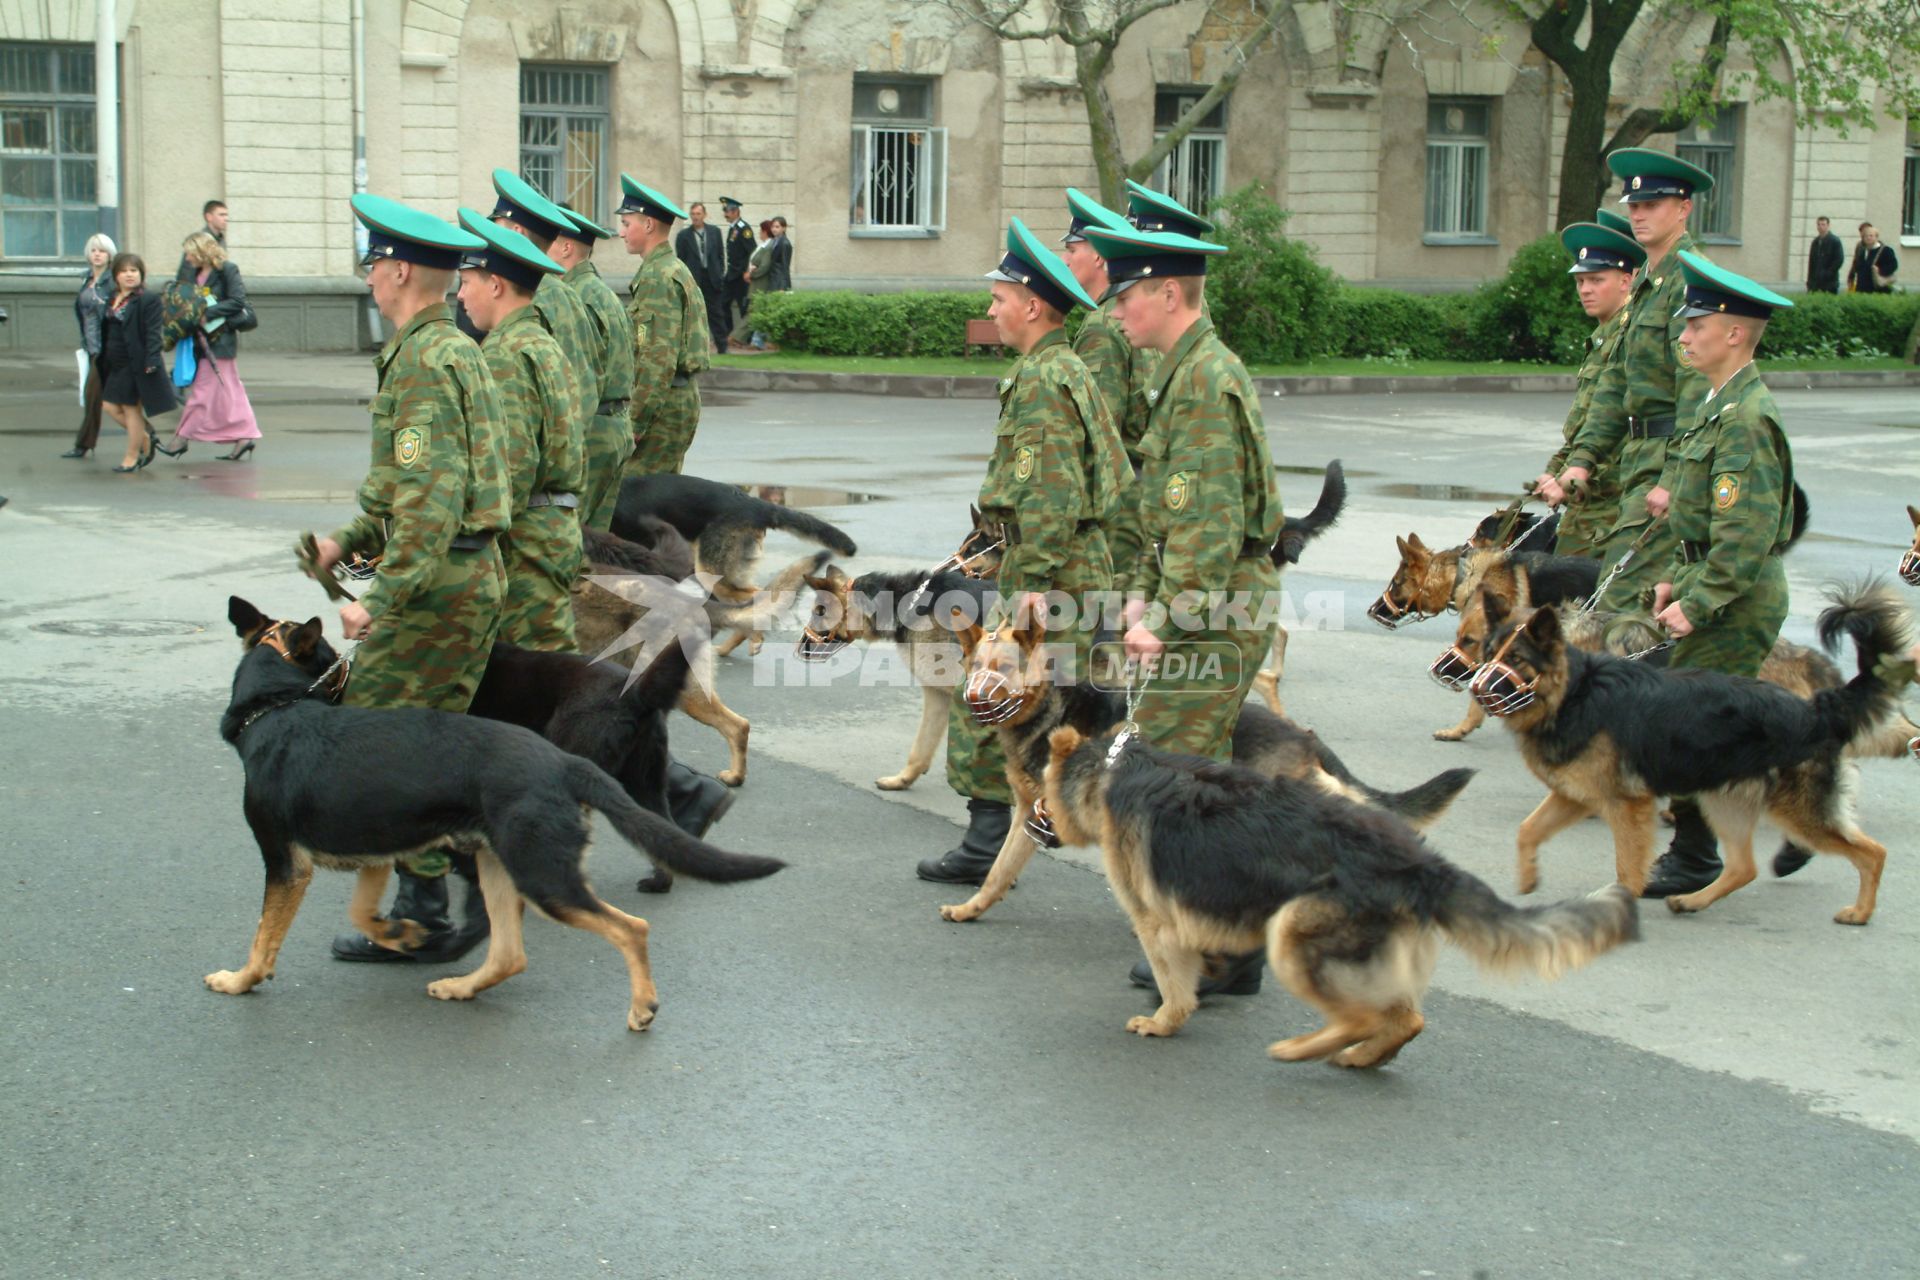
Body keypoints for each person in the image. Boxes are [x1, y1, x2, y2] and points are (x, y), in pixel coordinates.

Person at [1083, 216, 1284, 997]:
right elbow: (1158, 509)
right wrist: (1140, 590)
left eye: (1127, 295)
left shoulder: (1202, 380)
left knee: (1173, 775)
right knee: (1206, 777)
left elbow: (1208, 525)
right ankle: (1233, 947)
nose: (1116, 310)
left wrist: (1160, 621)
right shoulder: (1185, 370)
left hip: (1217, 607)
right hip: (1206, 598)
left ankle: (1217, 948)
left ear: (1169, 292)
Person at [315, 193, 511, 964]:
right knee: (419, 741)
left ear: (398, 270)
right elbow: (414, 486)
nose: (368, 279)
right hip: (460, 573)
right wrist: (351, 539)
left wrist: (380, 599)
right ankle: (450, 893)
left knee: (383, 747)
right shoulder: (445, 349)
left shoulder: (428, 362)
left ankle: (429, 914)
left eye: (373, 265)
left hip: (438, 586)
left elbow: (429, 501)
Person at [918, 218, 1132, 885]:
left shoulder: (1044, 379)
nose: (991, 310)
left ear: (1033, 305)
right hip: (1076, 568)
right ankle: (1101, 838)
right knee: (1084, 712)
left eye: (1000, 298)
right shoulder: (1061, 367)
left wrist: (1028, 586)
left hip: (1051, 574)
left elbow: (1048, 494)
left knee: (993, 700)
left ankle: (989, 839)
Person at [1645, 254, 1799, 896]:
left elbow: (1747, 535)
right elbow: (1703, 517)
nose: (1684, 336)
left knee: (1688, 725)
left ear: (1734, 333)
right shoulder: (1716, 406)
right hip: (1715, 585)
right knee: (1704, 721)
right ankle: (1793, 807)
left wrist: (1698, 600)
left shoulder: (1744, 419)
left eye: (1697, 325)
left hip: (1737, 600)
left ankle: (1695, 853)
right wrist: (1676, 579)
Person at [1554, 148, 1714, 625]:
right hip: (1638, 459)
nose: (1639, 214)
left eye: (1652, 206)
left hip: (1670, 460)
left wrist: (1674, 479)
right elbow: (1615, 384)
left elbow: (1696, 387)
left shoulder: (1690, 279)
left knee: (1624, 605)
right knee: (1621, 600)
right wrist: (1581, 460)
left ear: (1683, 209)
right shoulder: (1649, 280)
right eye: (1634, 206)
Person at [455, 209, 587, 653]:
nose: (459, 296)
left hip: (527, 536)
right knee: (548, 664)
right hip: (552, 525)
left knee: (541, 674)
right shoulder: (540, 342)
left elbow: (510, 465)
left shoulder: (506, 353)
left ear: (495, 284)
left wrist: (467, 535)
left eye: (466, 281)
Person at [1532, 218, 1646, 557]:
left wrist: (1575, 477)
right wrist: (1554, 472)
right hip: (1587, 495)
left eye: (1597, 280)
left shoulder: (1630, 339)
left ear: (1627, 281)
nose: (1585, 289)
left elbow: (1622, 426)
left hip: (1610, 500)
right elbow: (1585, 426)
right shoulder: (1602, 339)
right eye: (1581, 280)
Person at [549, 204, 638, 532]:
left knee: (569, 537)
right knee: (594, 543)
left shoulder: (574, 298)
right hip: (614, 425)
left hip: (593, 431)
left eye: (548, 240)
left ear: (566, 247)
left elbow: (577, 376)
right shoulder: (601, 292)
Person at [617, 174, 710, 476]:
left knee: (636, 502)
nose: (622, 233)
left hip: (663, 405)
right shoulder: (673, 268)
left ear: (648, 225)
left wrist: (634, 423)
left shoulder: (657, 277)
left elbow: (657, 359)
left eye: (626, 223)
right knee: (663, 503)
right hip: (676, 399)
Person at [160, 230, 261, 461]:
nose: (187, 259)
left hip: (220, 340)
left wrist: (206, 313)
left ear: (201, 251)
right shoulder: (191, 272)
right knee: (230, 390)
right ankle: (244, 438)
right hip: (198, 340)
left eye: (190, 253)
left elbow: (237, 301)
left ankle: (181, 438)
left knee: (202, 393)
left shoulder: (227, 270)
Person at [96, 252, 175, 472]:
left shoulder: (148, 299)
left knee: (131, 409)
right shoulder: (112, 297)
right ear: (116, 275)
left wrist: (151, 360)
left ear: (141, 274)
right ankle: (146, 438)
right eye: (124, 271)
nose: (129, 275)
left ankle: (131, 457)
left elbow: (152, 333)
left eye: (134, 270)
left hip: (136, 363)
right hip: (115, 363)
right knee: (110, 406)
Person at [62, 233, 116, 461]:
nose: (97, 254)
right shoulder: (87, 279)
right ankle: (84, 444)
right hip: (91, 348)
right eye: (93, 250)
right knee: (97, 398)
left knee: (109, 399)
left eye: (102, 250)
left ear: (110, 254)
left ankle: (147, 436)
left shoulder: (112, 281)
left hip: (108, 348)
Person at [674, 201, 730, 354]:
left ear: (704, 215)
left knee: (716, 313)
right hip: (694, 280)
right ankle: (693, 349)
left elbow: (720, 255)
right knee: (693, 314)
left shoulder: (714, 232)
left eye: (698, 214)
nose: (695, 217)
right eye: (693, 214)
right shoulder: (683, 236)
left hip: (712, 278)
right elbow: (681, 260)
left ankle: (723, 347)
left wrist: (719, 274)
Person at [728, 220, 775, 352]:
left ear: (765, 232)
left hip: (761, 284)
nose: (759, 233)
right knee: (758, 312)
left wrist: (751, 274)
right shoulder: (763, 246)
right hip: (755, 284)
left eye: (761, 231)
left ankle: (737, 337)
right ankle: (761, 341)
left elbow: (765, 266)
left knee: (753, 312)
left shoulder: (768, 247)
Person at [719, 196, 754, 338]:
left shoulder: (744, 229)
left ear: (735, 211)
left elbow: (752, 251)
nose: (725, 214)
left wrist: (748, 271)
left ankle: (747, 338)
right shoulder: (733, 228)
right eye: (725, 210)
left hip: (741, 276)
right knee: (722, 303)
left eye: (727, 211)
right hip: (731, 274)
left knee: (744, 308)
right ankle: (730, 334)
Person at [177, 199, 228, 282]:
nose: (226, 218)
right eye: (221, 215)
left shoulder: (221, 240)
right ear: (209, 217)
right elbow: (186, 272)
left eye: (226, 215)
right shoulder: (198, 242)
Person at [1848, 222, 1899, 293]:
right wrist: (1851, 278)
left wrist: (1880, 271)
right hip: (1862, 290)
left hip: (1879, 290)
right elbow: (1856, 267)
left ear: (1876, 237)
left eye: (1871, 236)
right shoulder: (1862, 251)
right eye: (1866, 236)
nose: (1868, 238)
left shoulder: (1886, 250)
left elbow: (1893, 265)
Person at [1806, 216, 1844, 294]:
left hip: (1830, 283)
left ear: (1828, 226)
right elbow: (1811, 262)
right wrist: (1810, 281)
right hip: (1815, 283)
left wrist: (1828, 273)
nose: (1820, 227)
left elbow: (1839, 260)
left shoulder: (1835, 241)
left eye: (1823, 224)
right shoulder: (1815, 242)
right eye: (1818, 224)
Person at [766, 216, 793, 293]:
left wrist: (782, 287)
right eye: (772, 227)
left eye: (777, 227)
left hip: (779, 283)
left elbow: (785, 267)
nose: (774, 229)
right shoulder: (775, 241)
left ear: (784, 228)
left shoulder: (785, 243)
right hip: (772, 280)